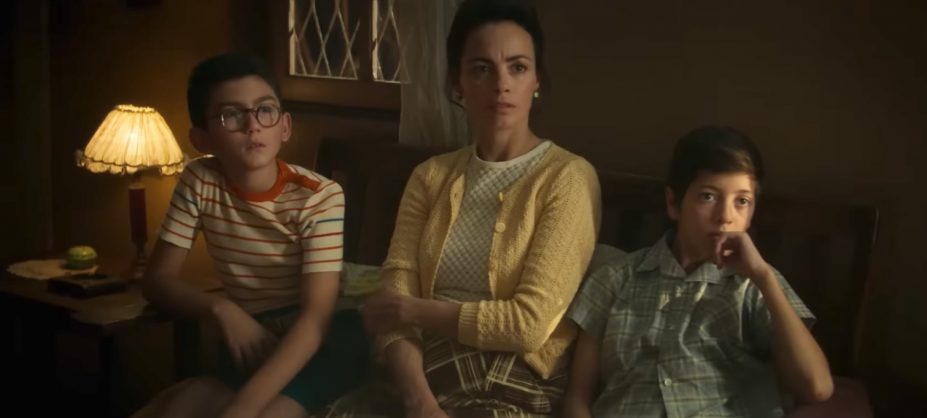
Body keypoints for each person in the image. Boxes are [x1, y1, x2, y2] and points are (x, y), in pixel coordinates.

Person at [359, 0, 601, 416]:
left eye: (517, 67)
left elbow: (528, 325)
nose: (501, 84)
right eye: (482, 68)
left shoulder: (567, 178)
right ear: (457, 81)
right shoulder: (430, 177)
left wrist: (415, 310)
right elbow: (393, 299)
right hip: (419, 371)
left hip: (513, 377)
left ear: (537, 80)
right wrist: (419, 402)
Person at [133, 52, 368, 418]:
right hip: (252, 335)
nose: (252, 126)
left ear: (284, 127)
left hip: (323, 338)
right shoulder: (199, 180)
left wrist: (241, 409)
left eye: (265, 110)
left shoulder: (319, 195)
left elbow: (315, 320)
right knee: (176, 407)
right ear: (201, 139)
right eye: (231, 115)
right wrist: (222, 309)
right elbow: (157, 280)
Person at [562, 126, 834, 418]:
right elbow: (577, 399)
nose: (725, 216)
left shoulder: (754, 285)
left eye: (742, 201)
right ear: (673, 203)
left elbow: (816, 387)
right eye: (708, 196)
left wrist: (763, 277)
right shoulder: (614, 279)